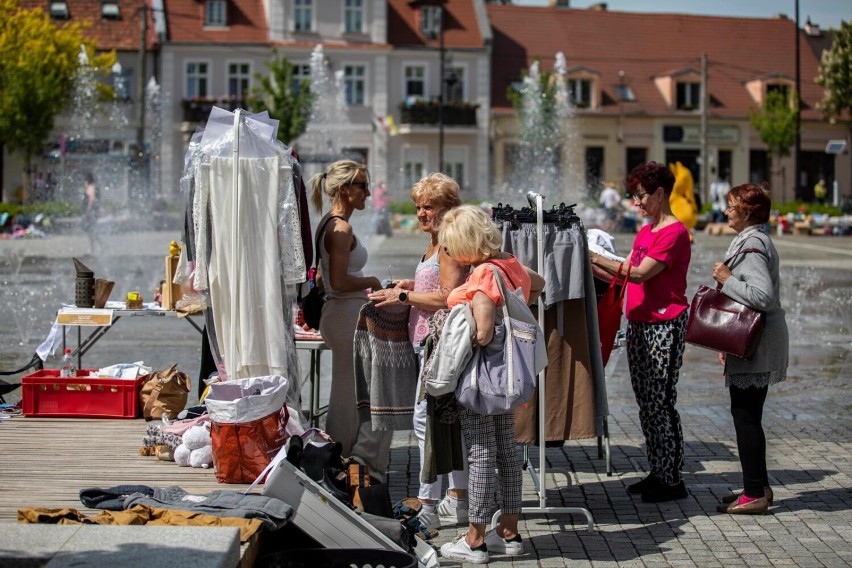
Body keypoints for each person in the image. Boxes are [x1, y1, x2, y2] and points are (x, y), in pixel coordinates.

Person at [437, 205, 544, 565]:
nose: (449, 253)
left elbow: (482, 333)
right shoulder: (509, 264)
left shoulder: (483, 273)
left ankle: (475, 539)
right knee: (507, 453)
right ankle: (509, 533)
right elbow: (539, 284)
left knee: (481, 453)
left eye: (452, 245)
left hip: (484, 379)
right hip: (511, 376)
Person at [368, 173, 469, 531]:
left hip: (439, 345)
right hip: (425, 342)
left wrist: (404, 296)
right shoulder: (434, 244)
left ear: (448, 209)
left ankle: (429, 502)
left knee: (426, 422)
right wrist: (409, 285)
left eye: (430, 207)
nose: (422, 213)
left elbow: (449, 296)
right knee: (441, 422)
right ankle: (457, 498)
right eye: (418, 207)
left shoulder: (448, 244)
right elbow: (437, 284)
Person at [589, 161, 691, 503]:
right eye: (634, 196)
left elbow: (639, 273)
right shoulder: (647, 231)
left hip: (664, 324)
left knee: (661, 401)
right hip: (640, 324)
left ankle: (671, 478)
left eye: (642, 196)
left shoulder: (675, 232)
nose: (637, 203)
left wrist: (591, 255)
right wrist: (589, 264)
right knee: (646, 403)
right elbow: (624, 271)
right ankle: (658, 469)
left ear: (661, 193)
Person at [309, 160, 392, 479]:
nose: (368, 193)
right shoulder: (340, 228)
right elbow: (340, 281)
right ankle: (345, 458)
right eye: (362, 186)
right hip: (345, 313)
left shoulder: (329, 223)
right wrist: (371, 281)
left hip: (340, 313)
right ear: (344, 188)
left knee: (348, 389)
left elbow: (324, 279)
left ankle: (341, 456)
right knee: (353, 392)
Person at [712, 183, 788, 515]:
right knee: (748, 414)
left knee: (745, 416)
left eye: (731, 207)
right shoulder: (751, 239)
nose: (726, 212)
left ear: (747, 211)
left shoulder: (754, 242)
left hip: (757, 342)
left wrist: (727, 278)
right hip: (750, 340)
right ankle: (757, 485)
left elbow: (763, 296)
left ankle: (754, 493)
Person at [81, 172, 99, 250]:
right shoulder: (93, 187)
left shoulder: (90, 187)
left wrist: (88, 210)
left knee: (90, 231)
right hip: (93, 212)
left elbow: (92, 199)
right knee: (91, 231)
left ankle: (93, 248)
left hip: (90, 213)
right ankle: (97, 247)